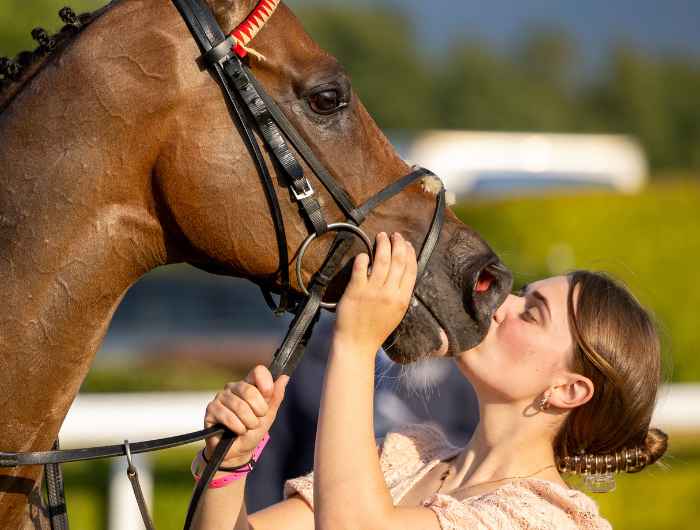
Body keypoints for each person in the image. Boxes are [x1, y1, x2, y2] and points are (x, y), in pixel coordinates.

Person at [189, 232, 667, 529]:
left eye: (532, 314)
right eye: (521, 294)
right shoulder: (408, 456)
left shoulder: (546, 521)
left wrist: (356, 342)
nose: (499, 306)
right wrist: (226, 469)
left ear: (568, 390)